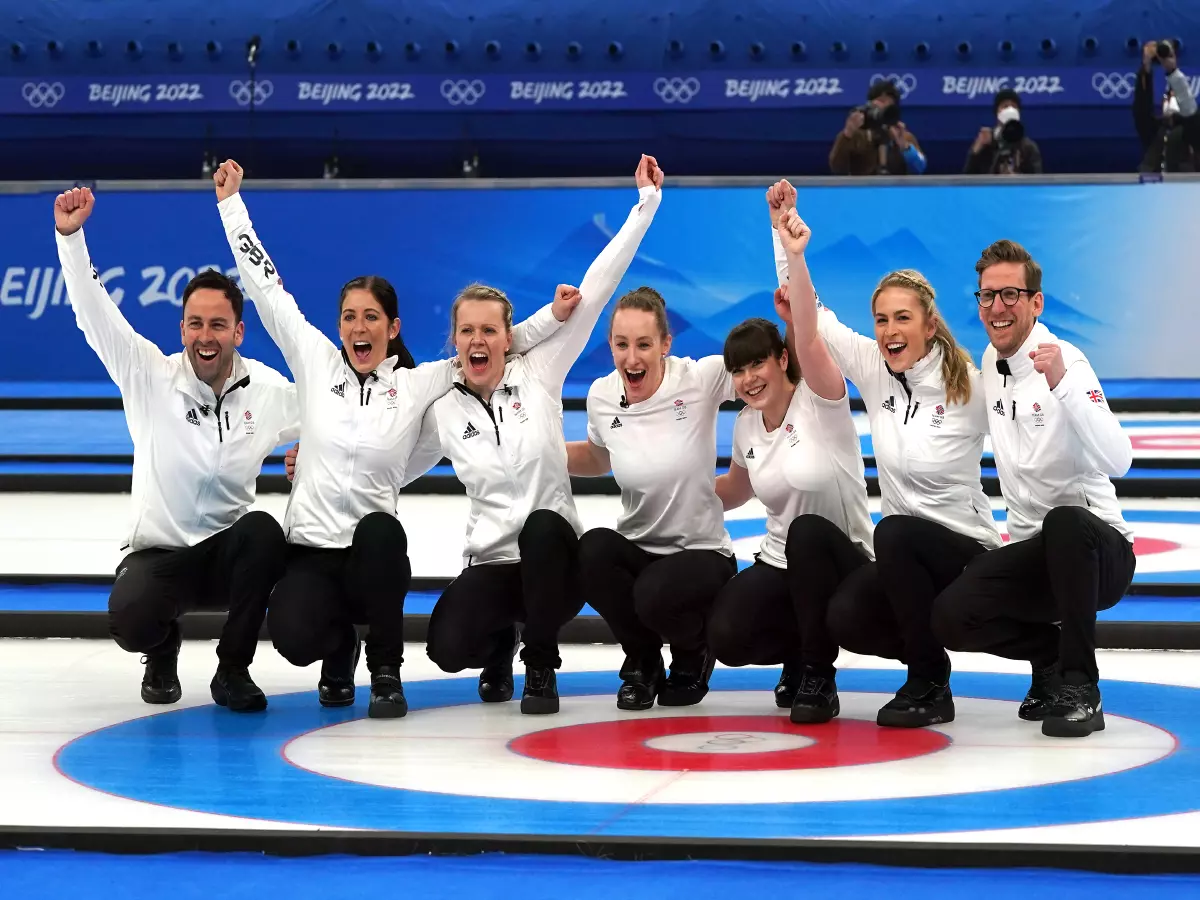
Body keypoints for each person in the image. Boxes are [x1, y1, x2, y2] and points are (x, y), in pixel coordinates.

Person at [214, 160, 568, 718]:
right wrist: (232, 207)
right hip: (309, 552)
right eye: (350, 317)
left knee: (381, 530)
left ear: (393, 328)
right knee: (293, 638)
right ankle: (337, 650)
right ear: (339, 327)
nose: (360, 327)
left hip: (371, 560)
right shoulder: (315, 361)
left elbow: (490, 347)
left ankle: (384, 670)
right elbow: (266, 291)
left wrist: (547, 318)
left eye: (372, 317)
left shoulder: (419, 383)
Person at [413, 154, 665, 715]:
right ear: (454, 339)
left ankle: (541, 664)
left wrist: (644, 207)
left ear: (509, 337)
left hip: (556, 566)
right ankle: (501, 643)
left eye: (489, 330)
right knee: (448, 647)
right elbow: (393, 464)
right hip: (494, 565)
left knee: (545, 527)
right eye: (466, 331)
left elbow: (598, 290)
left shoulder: (540, 371)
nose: (477, 341)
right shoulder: (441, 410)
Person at [54, 186, 300, 713]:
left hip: (227, 557)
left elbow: (334, 417)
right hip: (161, 556)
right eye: (195, 323)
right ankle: (161, 649)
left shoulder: (270, 391)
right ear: (181, 328)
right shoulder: (149, 375)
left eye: (217, 324)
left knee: (262, 530)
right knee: (131, 617)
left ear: (239, 330)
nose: (204, 336)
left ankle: (232, 669)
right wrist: (71, 239)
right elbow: (94, 314)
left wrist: (314, 457)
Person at [766, 180, 1001, 727]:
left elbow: (1023, 437)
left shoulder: (970, 384)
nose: (890, 331)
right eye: (882, 320)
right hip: (901, 559)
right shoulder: (875, 368)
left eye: (902, 318)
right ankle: (921, 666)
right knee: (846, 613)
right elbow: (813, 316)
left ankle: (928, 683)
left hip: (963, 553)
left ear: (929, 324)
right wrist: (785, 240)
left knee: (893, 530)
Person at [932, 239, 1134, 739]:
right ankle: (1047, 658)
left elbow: (1119, 460)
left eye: (1010, 295)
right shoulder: (989, 359)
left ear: (1036, 302)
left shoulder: (1068, 362)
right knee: (951, 617)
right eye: (986, 296)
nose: (997, 308)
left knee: (1063, 520)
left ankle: (1081, 686)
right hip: (1036, 556)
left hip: (1098, 554)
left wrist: (1063, 384)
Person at [707, 207, 874, 725]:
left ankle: (817, 674)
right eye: (737, 370)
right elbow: (734, 490)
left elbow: (810, 330)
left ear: (782, 359)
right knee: (727, 637)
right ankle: (801, 647)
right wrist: (663, 485)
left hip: (841, 558)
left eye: (757, 362)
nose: (748, 378)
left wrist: (788, 248)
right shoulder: (745, 428)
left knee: (806, 533)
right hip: (780, 564)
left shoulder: (820, 398)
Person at [565, 287, 737, 710]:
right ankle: (643, 661)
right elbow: (597, 457)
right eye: (621, 345)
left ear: (666, 344)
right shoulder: (602, 396)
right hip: (641, 548)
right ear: (610, 346)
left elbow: (769, 369)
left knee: (652, 594)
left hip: (701, 553)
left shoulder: (701, 378)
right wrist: (535, 450)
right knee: (592, 551)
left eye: (644, 344)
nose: (632, 358)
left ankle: (692, 650)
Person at [830, 80, 926, 176]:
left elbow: (920, 168)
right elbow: (837, 168)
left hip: (895, 189)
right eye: (881, 101)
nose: (883, 107)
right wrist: (847, 135)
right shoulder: (856, 135)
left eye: (889, 104)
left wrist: (905, 147)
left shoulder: (904, 136)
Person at [1134, 39, 1200, 173]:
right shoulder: (1154, 130)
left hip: (1183, 189)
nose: (1171, 102)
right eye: (1168, 98)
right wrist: (1146, 67)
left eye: (1175, 98)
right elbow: (1141, 108)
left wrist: (1172, 71)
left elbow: (1189, 110)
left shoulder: (1192, 130)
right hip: (1153, 188)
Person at [964, 89, 1044, 175]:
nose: (1010, 110)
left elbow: (1037, 180)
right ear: (997, 112)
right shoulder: (986, 142)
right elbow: (968, 177)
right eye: (1005, 106)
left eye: (1014, 106)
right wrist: (976, 151)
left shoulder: (1028, 147)